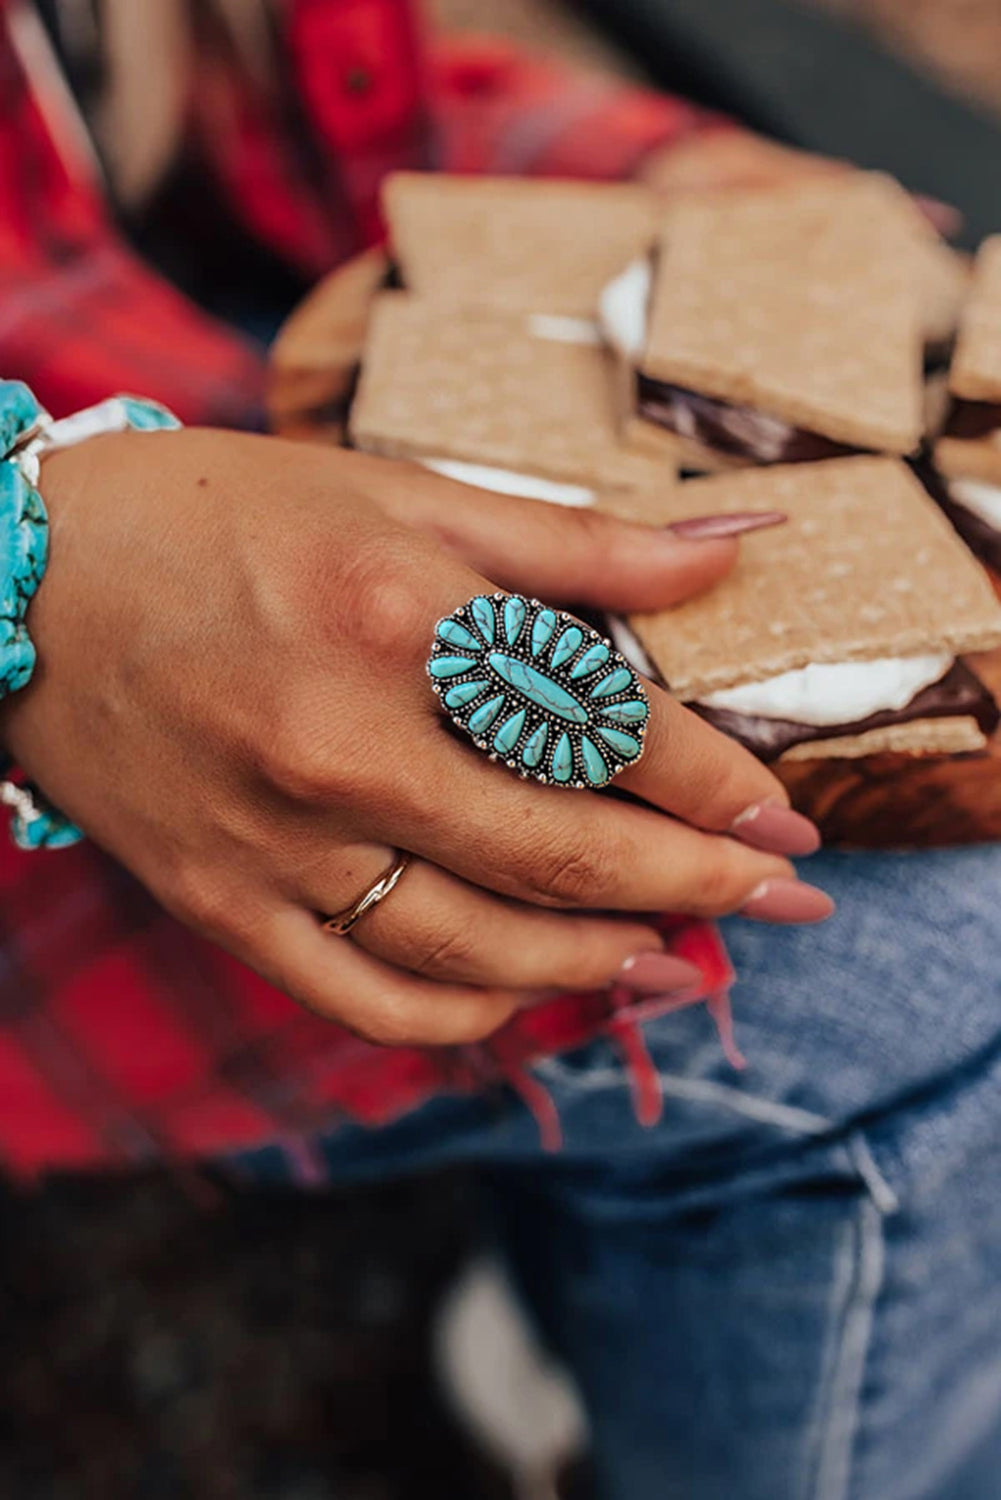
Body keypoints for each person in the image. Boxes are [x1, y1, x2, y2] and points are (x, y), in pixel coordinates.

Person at [1, 4, 1000, 1497]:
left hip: (180, 324)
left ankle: (617, 1292)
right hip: (61, 741)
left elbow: (271, 74)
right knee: (936, 959)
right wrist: (31, 570)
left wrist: (662, 185)